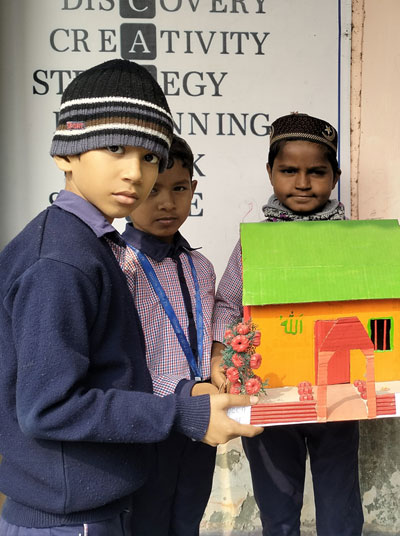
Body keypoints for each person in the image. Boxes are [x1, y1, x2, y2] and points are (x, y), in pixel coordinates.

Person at [0, 59, 263, 535]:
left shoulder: (86, 246)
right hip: (69, 519)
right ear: (64, 153)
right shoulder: (59, 261)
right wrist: (181, 410)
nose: (135, 173)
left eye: (150, 157)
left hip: (95, 500)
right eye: (115, 148)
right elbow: (49, 408)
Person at [212, 112, 364, 536]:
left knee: (340, 501)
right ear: (270, 172)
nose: (302, 183)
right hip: (269, 391)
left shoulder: (355, 242)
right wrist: (222, 355)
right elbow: (228, 302)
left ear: (334, 177)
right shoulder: (255, 243)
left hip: (337, 393)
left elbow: (376, 304)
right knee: (277, 504)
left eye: (316, 172)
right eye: (288, 171)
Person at [121, 135, 219, 536]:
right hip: (147, 424)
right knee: (146, 522)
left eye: (178, 189)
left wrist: (219, 364)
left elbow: (211, 332)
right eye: (152, 191)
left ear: (193, 189)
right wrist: (183, 391)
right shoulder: (119, 266)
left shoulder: (202, 265)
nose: (167, 203)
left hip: (200, 424)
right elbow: (121, 361)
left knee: (188, 519)